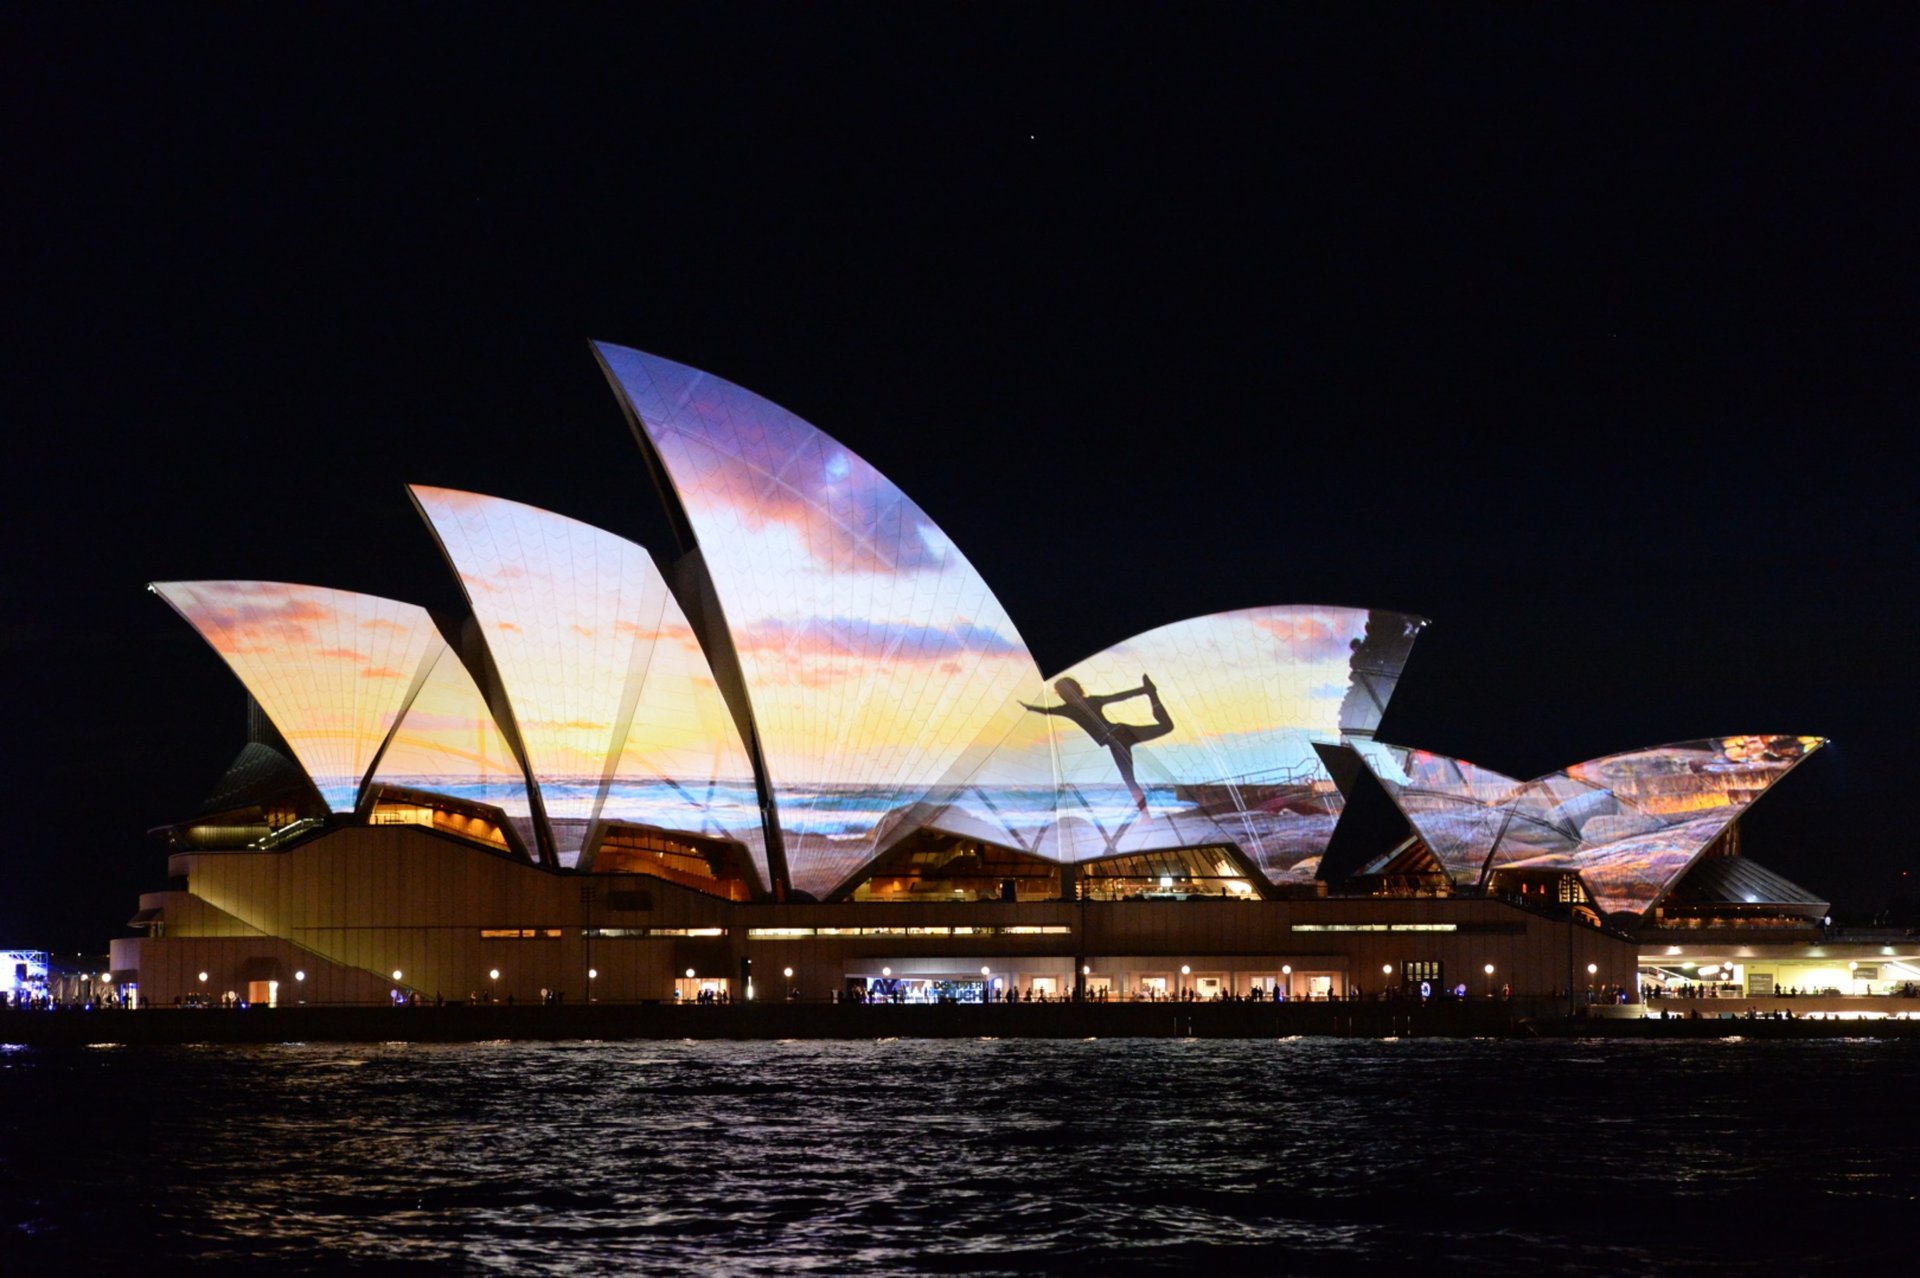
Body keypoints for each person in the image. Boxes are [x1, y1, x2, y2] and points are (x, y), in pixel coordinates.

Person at [1022, 674, 1174, 813]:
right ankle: (1145, 816)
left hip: (1120, 735)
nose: (1062, 695)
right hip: (1118, 736)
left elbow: (1118, 697)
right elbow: (1047, 711)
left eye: (1062, 692)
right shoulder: (1073, 708)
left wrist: (1030, 708)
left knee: (1130, 778)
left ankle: (1145, 816)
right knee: (1130, 777)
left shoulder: (1077, 706)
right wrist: (1144, 690)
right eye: (1061, 693)